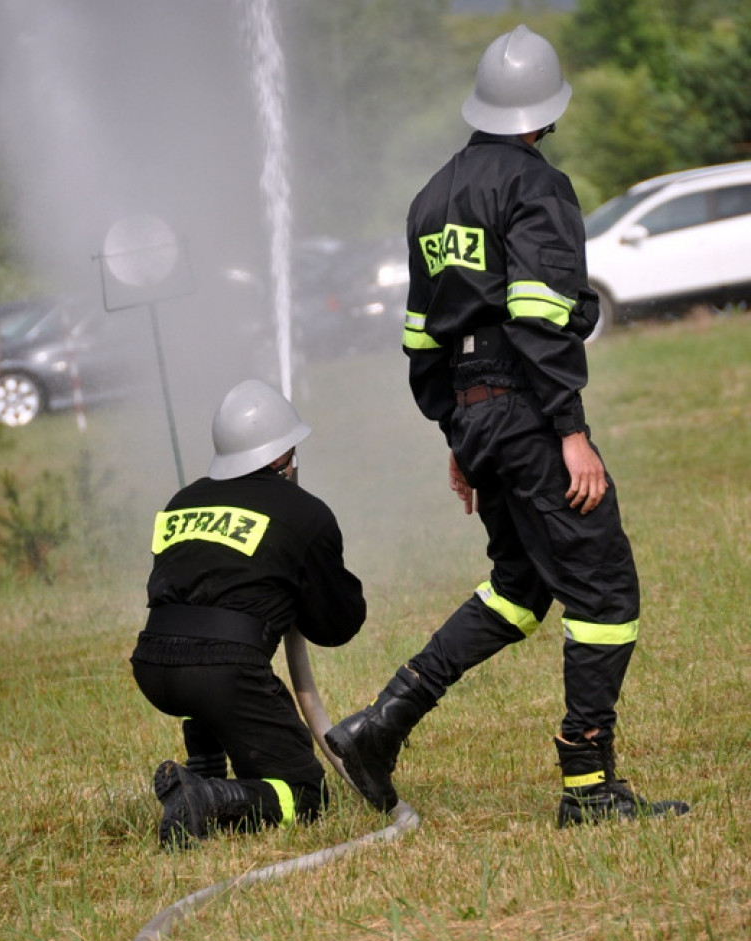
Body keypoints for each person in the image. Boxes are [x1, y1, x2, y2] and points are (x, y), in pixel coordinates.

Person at [325, 25, 689, 827]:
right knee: (604, 589)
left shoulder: (431, 197)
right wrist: (570, 429)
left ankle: (379, 726)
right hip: (527, 409)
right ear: (545, 112)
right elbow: (538, 316)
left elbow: (422, 337)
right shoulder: (537, 188)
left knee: (522, 588)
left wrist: (460, 434)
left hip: (475, 409)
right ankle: (589, 789)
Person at [131, 379, 366, 848]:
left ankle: (202, 765)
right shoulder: (305, 513)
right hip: (223, 672)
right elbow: (335, 626)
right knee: (303, 793)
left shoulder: (182, 500)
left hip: (154, 666)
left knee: (209, 670)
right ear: (283, 456)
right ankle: (207, 797)